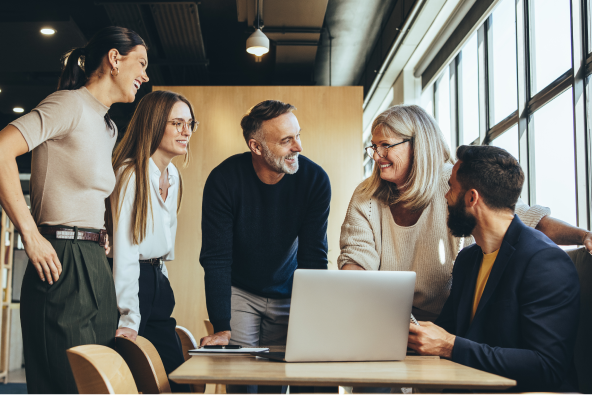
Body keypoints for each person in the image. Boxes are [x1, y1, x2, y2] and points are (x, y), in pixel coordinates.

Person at [338, 105, 591, 322]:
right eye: (374, 147)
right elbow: (356, 260)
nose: (377, 156)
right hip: (386, 317)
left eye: (385, 146)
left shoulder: (455, 182)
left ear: (417, 146)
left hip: (450, 321)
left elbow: (523, 220)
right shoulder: (367, 195)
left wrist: (583, 236)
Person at [0, 27, 148, 395]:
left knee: (98, 384)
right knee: (66, 383)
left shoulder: (108, 126)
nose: (145, 76)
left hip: (94, 263)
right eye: (141, 64)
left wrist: (99, 236)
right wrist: (30, 234)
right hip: (61, 259)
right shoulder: (68, 104)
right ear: (114, 59)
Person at [408, 145, 580, 392]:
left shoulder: (545, 262)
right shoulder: (468, 259)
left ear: (471, 198)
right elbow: (447, 331)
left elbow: (547, 367)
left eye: (451, 188)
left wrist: (450, 346)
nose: (445, 196)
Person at [199, 100, 331, 392]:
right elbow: (217, 258)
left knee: (277, 382)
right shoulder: (224, 180)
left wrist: (315, 317)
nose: (298, 146)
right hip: (241, 292)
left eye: (298, 135)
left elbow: (314, 255)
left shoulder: (315, 180)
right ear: (256, 147)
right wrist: (222, 326)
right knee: (243, 381)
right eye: (286, 140)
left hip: (290, 290)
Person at [108, 90, 195, 392]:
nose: (187, 131)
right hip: (133, 285)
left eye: (190, 124)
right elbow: (125, 251)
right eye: (177, 123)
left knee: (174, 381)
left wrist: (163, 282)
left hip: (157, 281)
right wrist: (129, 316)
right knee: (133, 381)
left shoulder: (172, 175)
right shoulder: (130, 173)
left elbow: (162, 246)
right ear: (155, 124)